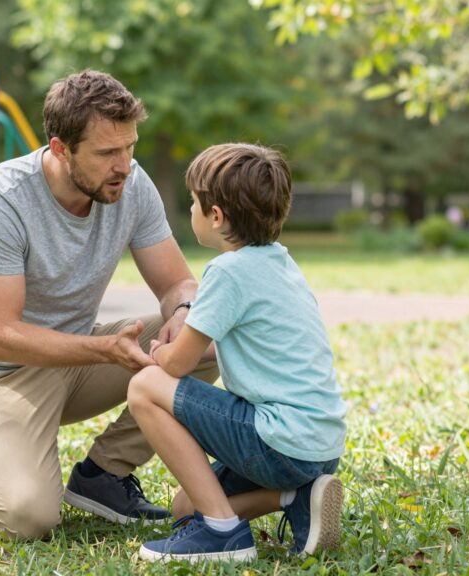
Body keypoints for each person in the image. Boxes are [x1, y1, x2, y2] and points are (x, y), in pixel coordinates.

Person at [0, 69, 218, 539]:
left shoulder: (131, 184)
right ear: (60, 148)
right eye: (107, 152)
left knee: (204, 342)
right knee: (28, 519)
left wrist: (184, 314)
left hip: (78, 360)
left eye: (130, 147)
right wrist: (105, 349)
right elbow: (0, 335)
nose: (124, 165)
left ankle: (103, 476)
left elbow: (177, 284)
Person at [127, 143, 347, 562]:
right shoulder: (280, 263)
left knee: (144, 387)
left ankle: (224, 534)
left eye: (193, 202)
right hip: (318, 448)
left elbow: (178, 364)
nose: (190, 209)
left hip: (278, 441)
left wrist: (158, 351)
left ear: (215, 216)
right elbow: (230, 345)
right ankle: (294, 497)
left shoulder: (227, 271)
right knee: (185, 507)